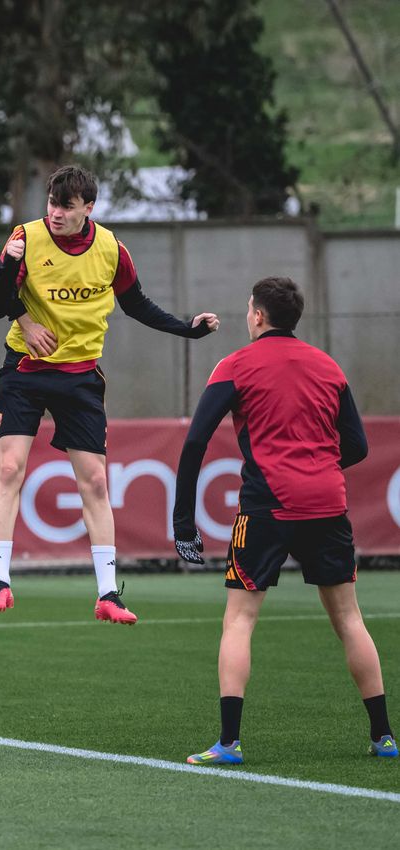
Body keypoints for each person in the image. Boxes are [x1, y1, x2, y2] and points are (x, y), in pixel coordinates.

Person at [172, 277, 394, 764]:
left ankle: (228, 743)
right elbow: (356, 446)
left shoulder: (234, 365)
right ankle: (383, 736)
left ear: (256, 315)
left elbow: (194, 442)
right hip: (327, 503)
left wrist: (182, 521)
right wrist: (315, 464)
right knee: (350, 619)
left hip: (266, 502)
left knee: (240, 620)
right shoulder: (328, 366)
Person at [0, 165, 220, 623]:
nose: (55, 213)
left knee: (94, 482)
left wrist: (185, 328)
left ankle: (109, 593)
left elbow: (137, 305)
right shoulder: (26, 239)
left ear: (88, 209)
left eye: (66, 207)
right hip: (25, 370)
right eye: (52, 203)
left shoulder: (111, 249)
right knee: (9, 466)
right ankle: (0, 580)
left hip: (80, 376)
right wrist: (13, 276)